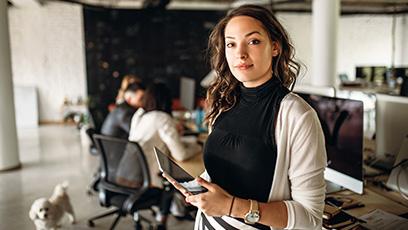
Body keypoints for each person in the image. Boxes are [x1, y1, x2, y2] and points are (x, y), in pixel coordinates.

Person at [163, 4, 327, 230]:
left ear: (275, 47)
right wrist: (198, 188)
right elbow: (224, 173)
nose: (240, 53)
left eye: (253, 41)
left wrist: (230, 207)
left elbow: (310, 220)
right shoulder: (224, 102)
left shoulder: (297, 115)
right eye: (231, 44)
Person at [128, 82, 201, 188]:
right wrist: (198, 147)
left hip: (129, 174)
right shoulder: (162, 118)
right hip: (149, 181)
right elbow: (181, 155)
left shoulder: (139, 115)